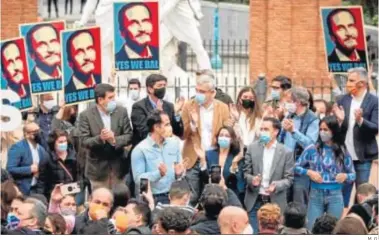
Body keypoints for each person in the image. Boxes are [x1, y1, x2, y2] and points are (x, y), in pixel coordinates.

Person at [296, 115, 356, 230]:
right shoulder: (312, 148)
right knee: (311, 228)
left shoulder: (342, 150)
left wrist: (345, 176)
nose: (322, 132)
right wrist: (309, 172)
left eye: (325, 130)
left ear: (333, 131)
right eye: (320, 129)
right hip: (315, 194)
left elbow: (353, 175)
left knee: (334, 230)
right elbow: (296, 167)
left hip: (336, 195)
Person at [333, 67, 378, 208]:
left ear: (362, 83)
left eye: (352, 80)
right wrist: (339, 121)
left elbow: (376, 127)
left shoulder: (374, 101)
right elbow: (334, 129)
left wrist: (360, 120)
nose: (348, 83)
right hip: (344, 156)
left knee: (362, 194)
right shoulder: (342, 100)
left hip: (363, 156)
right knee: (341, 193)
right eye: (348, 80)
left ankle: (359, 221)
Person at [181, 74, 229, 205]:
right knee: (192, 196)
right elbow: (182, 135)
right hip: (194, 157)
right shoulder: (188, 106)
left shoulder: (223, 108)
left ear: (212, 93)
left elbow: (228, 131)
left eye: (202, 92)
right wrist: (193, 124)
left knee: (213, 196)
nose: (198, 94)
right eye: (196, 90)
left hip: (214, 156)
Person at [244, 117, 294, 233]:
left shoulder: (286, 152)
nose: (262, 132)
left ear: (276, 131)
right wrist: (252, 180)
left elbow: (289, 179)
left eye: (266, 129)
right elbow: (246, 173)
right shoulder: (252, 148)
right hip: (255, 201)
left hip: (275, 203)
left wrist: (276, 185)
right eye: (261, 129)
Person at [79, 83, 133, 190]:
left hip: (118, 169)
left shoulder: (121, 112)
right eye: (110, 98)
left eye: (114, 97)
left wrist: (114, 140)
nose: (114, 100)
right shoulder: (86, 115)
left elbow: (129, 136)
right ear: (100, 100)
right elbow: (84, 141)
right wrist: (100, 138)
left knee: (119, 202)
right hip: (97, 171)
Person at [131, 110, 185, 204]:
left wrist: (179, 173)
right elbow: (138, 180)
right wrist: (158, 174)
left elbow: (179, 170)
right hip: (153, 198)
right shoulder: (140, 149)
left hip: (173, 195)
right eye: (167, 124)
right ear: (156, 127)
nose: (170, 128)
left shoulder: (174, 144)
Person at [279, 86, 319, 207]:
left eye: (289, 101)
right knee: (283, 201)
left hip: (302, 167)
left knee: (299, 202)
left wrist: (293, 131)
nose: (287, 104)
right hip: (285, 165)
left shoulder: (312, 119)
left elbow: (310, 144)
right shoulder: (289, 115)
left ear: (298, 102)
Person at [131, 74, 183, 145]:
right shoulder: (138, 107)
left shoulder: (169, 106)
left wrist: (177, 113)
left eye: (164, 85)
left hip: (166, 149)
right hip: (146, 149)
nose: (163, 88)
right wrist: (157, 114)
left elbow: (178, 132)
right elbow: (144, 132)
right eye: (159, 86)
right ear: (150, 89)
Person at [195, 126, 245, 201]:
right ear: (217, 138)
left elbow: (239, 183)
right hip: (211, 197)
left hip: (229, 197)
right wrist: (202, 160)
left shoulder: (236, 157)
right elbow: (204, 179)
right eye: (221, 135)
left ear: (231, 140)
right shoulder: (209, 154)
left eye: (227, 136)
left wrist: (234, 164)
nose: (223, 137)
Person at [6, 122, 49, 196]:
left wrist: (40, 190)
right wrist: (29, 169)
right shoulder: (18, 147)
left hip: (37, 190)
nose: (38, 134)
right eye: (35, 132)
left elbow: (43, 170)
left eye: (38, 131)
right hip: (22, 190)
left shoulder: (41, 149)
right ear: (26, 134)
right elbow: (10, 168)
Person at [45, 129, 77, 199]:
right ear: (54, 143)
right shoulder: (48, 158)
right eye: (60, 142)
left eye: (65, 141)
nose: (63, 144)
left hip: (71, 195)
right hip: (55, 196)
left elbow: (79, 178)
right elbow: (43, 181)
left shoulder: (74, 157)